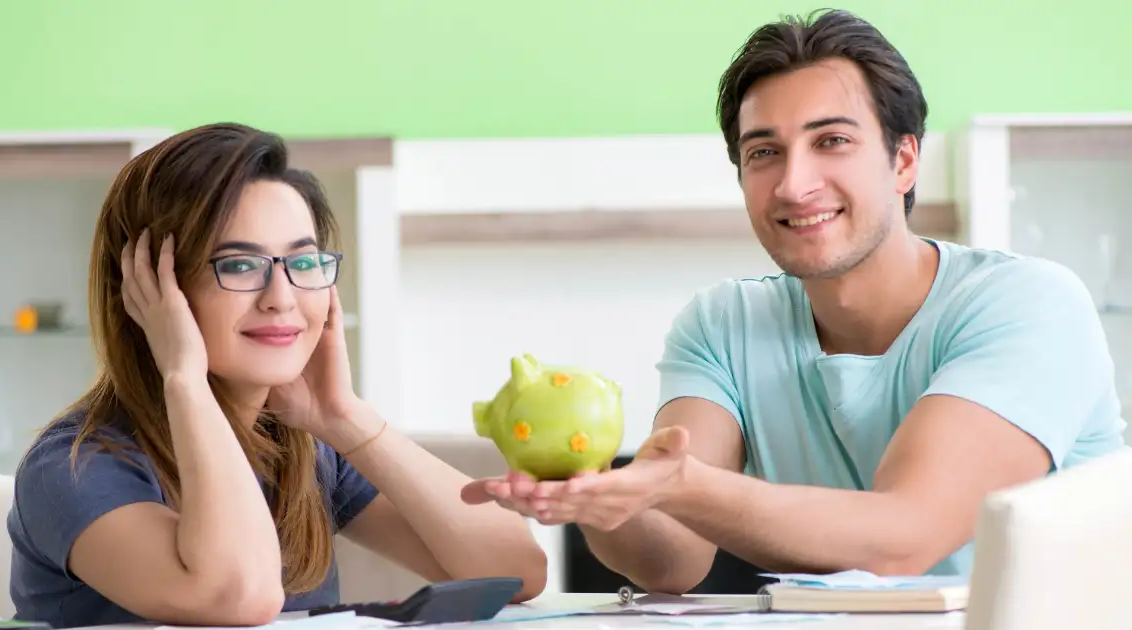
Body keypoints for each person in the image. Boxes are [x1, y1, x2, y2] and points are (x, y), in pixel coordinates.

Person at [463, 9, 1127, 592]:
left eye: (831, 141)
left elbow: (905, 535)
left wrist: (677, 483)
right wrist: (591, 490)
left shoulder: (1029, 304)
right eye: (763, 152)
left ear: (904, 161)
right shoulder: (722, 324)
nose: (794, 183)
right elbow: (671, 560)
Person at [7, 123, 547, 628]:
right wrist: (185, 379)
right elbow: (239, 596)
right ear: (146, 292)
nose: (282, 298)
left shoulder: (305, 447)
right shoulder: (73, 467)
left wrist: (346, 418)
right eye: (239, 265)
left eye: (304, 263)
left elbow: (517, 571)